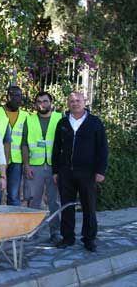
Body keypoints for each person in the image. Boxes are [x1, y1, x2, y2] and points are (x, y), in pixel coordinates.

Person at [52, 92, 108, 252]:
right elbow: (56, 148)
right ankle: (67, 237)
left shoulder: (95, 122)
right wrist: (56, 171)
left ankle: (89, 239)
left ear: (84, 102)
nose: (75, 103)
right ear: (68, 104)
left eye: (78, 100)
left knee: (89, 206)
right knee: (66, 206)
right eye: (71, 101)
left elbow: (103, 148)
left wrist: (100, 170)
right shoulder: (62, 123)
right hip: (66, 172)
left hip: (88, 172)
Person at [21, 91, 62, 244]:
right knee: (34, 201)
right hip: (35, 166)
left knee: (54, 201)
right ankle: (32, 232)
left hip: (54, 167)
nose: (42, 104)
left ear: (51, 103)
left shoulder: (59, 118)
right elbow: (24, 144)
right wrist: (26, 165)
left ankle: (55, 232)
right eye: (39, 101)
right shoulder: (30, 119)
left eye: (45, 101)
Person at [4, 86, 29, 206]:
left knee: (14, 195)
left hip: (17, 160)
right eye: (13, 95)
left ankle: (13, 222)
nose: (16, 98)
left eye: (19, 96)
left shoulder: (26, 116)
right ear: (7, 96)